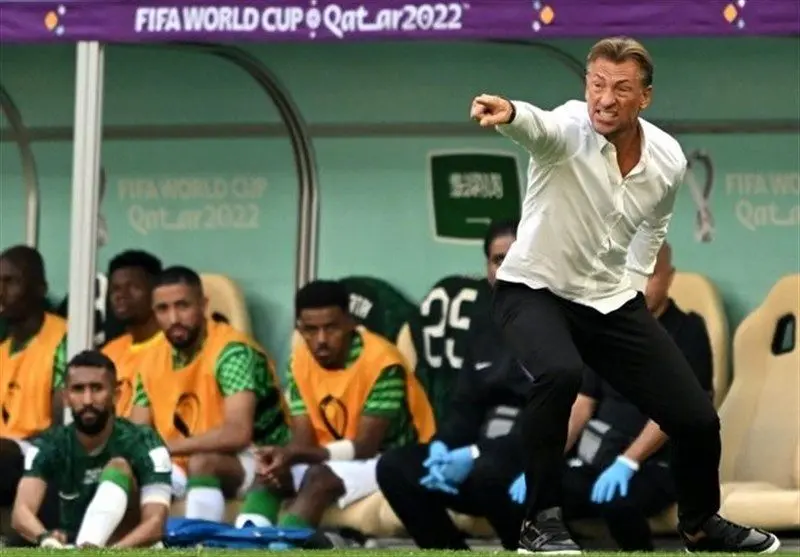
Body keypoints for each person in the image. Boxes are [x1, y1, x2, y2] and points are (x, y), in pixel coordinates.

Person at [471, 35, 779, 553]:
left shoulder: (667, 158)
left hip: (609, 301)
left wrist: (632, 285)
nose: (605, 99)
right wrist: (510, 113)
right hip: (533, 290)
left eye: (620, 88)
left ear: (645, 97)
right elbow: (538, 126)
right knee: (560, 373)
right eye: (596, 85)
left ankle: (701, 525)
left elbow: (653, 228)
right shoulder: (567, 129)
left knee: (696, 417)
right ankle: (539, 522)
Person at [377, 219, 529, 550]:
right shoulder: (483, 327)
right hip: (479, 461)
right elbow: (465, 406)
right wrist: (442, 446)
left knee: (490, 471)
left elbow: (560, 416)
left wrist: (476, 453)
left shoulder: (564, 323)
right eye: (498, 260)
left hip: (530, 460)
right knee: (395, 467)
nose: (507, 269)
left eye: (518, 257)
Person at [558, 242, 713, 550]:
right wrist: (547, 458)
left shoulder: (688, 331)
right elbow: (583, 404)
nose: (638, 285)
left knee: (618, 501)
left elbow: (680, 412)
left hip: (658, 465)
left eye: (649, 274)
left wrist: (627, 462)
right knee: (541, 492)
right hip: (599, 457)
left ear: (670, 277)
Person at [251, 280, 435, 536]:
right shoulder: (299, 361)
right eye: (310, 330)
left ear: (350, 323)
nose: (321, 340)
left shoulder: (383, 363)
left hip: (393, 460)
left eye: (331, 328)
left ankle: (284, 547)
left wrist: (295, 455)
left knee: (319, 477)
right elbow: (303, 441)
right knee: (268, 475)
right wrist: (283, 459)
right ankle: (243, 542)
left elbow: (365, 447)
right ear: (300, 328)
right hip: (334, 457)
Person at [129, 266, 290, 526]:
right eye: (163, 309)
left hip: (260, 459)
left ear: (203, 305)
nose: (173, 318)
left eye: (183, 306)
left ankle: (199, 542)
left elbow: (237, 433)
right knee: (122, 473)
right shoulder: (151, 358)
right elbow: (136, 434)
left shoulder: (232, 352)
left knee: (202, 463)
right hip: (182, 459)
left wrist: (164, 448)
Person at [11, 350, 172, 548]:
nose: (87, 400)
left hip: (130, 548)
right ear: (66, 397)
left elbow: (155, 524)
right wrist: (46, 538)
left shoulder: (143, 441)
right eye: (78, 389)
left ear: (116, 395)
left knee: (119, 466)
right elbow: (21, 512)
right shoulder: (51, 444)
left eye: (97, 388)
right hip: (74, 546)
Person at [0, 246, 67, 527]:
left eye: (10, 282)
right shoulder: (3, 350)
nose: (1, 291)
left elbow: (64, 425)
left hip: (37, 449)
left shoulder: (65, 337)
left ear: (40, 288)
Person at [101, 250, 164, 418]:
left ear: (156, 292)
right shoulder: (109, 353)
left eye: (132, 287)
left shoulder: (172, 348)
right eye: (115, 289)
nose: (120, 295)